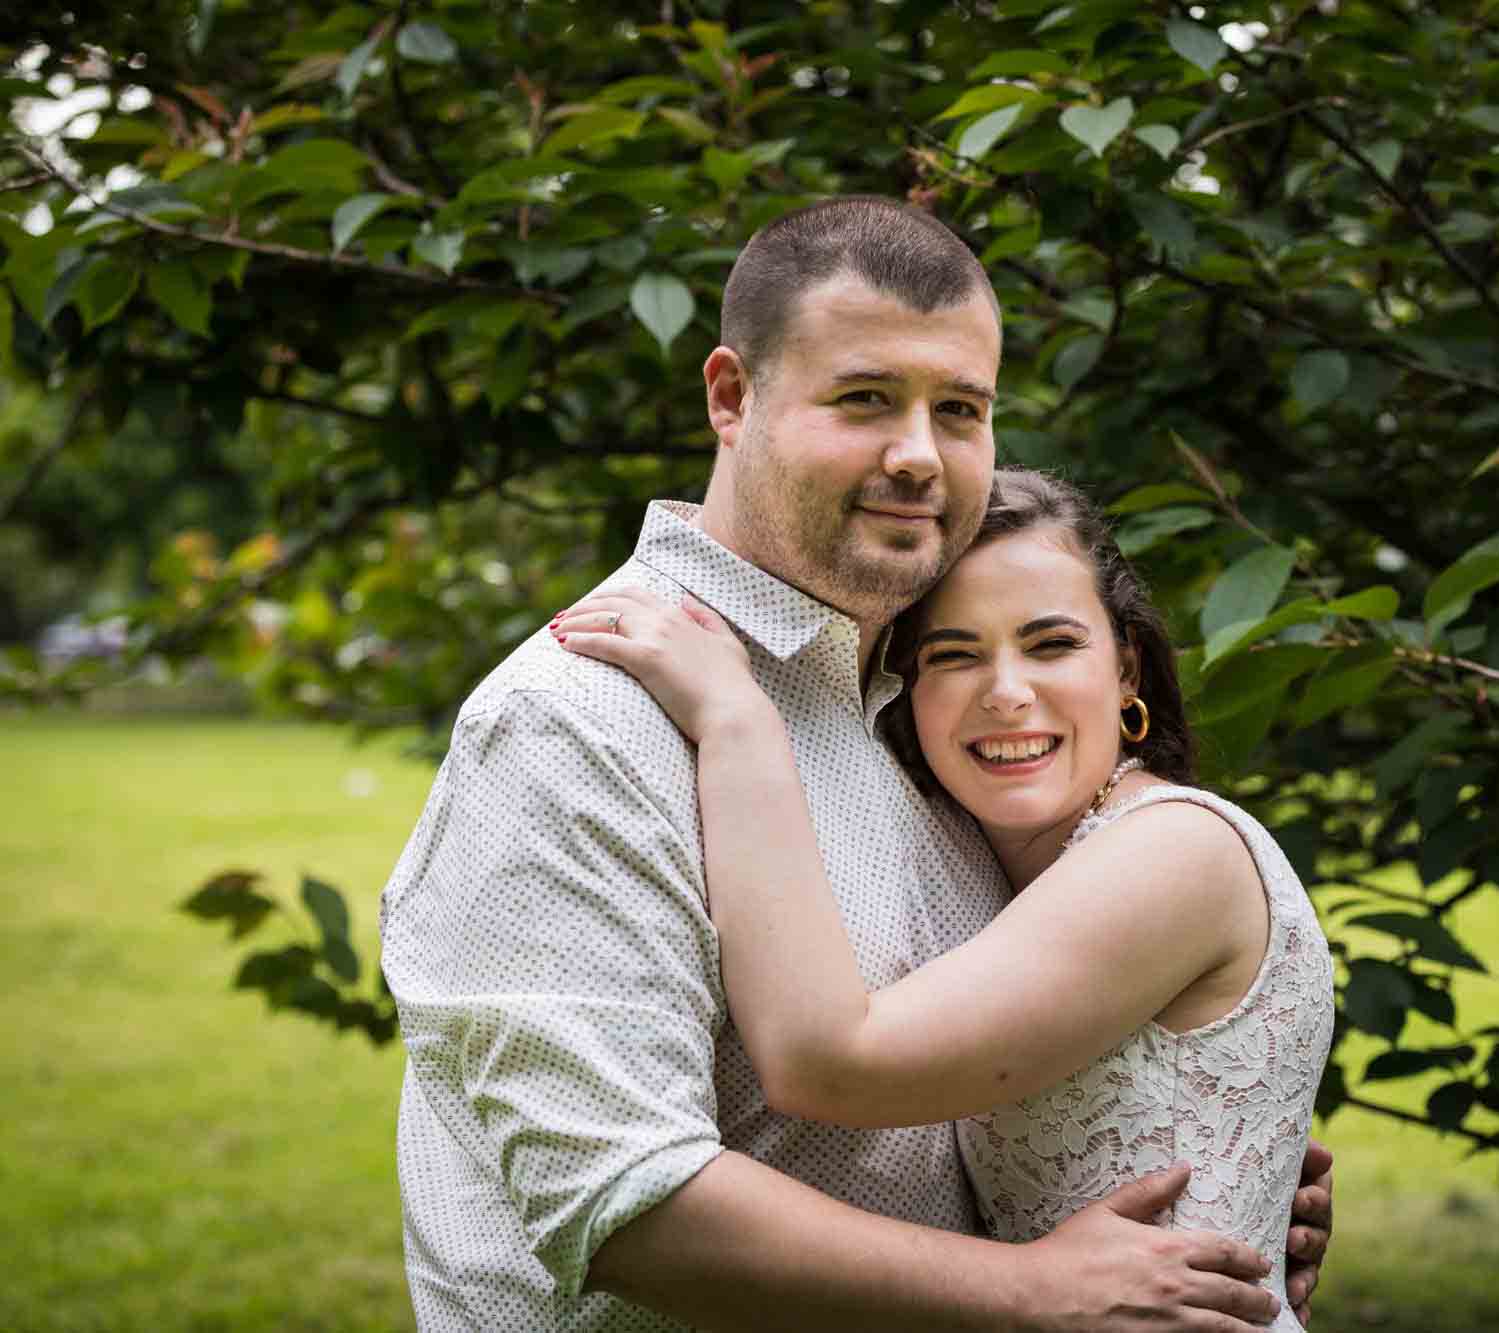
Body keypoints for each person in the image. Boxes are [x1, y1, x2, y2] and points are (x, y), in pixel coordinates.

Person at [380, 196, 1330, 1332]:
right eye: (866, 399)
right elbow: (626, 1204)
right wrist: (1032, 1287)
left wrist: (1206, 1161)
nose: (918, 456)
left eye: (960, 409)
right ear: (731, 397)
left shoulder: (916, 716)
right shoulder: (578, 717)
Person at [554, 467, 1338, 1331]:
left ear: (1128, 669)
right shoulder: (989, 870)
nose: (1005, 691)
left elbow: (825, 1061)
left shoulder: (1174, 851)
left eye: (1051, 644)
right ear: (909, 689)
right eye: (955, 653)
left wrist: (739, 721)